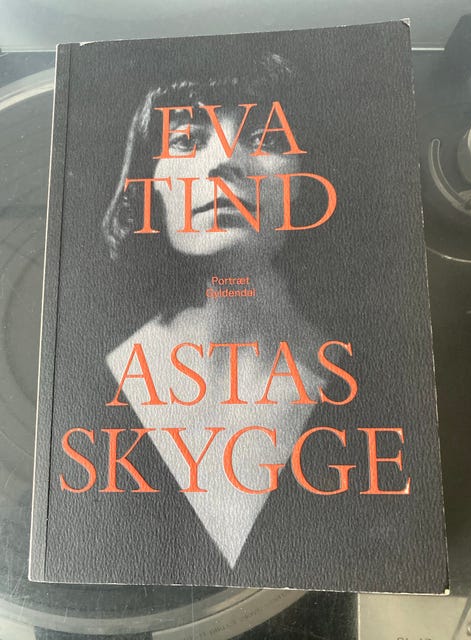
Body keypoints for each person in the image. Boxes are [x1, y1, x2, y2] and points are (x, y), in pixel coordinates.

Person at [102, 52, 334, 568]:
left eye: (265, 138)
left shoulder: (358, 376)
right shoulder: (101, 377)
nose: (225, 161)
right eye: (187, 140)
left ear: (306, 181)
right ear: (150, 181)